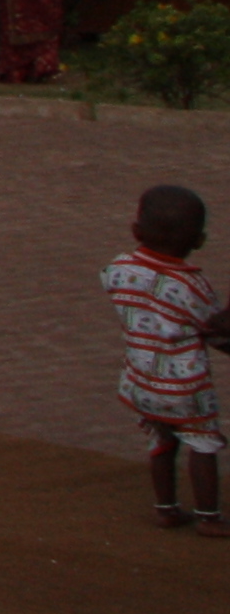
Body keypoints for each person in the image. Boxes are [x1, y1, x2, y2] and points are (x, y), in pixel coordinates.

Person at [104, 186, 229, 536]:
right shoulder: (193, 285)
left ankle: (166, 509)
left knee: (161, 439)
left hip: (140, 378)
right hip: (184, 385)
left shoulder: (118, 269)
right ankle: (208, 516)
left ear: (136, 231)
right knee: (202, 442)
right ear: (199, 240)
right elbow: (213, 328)